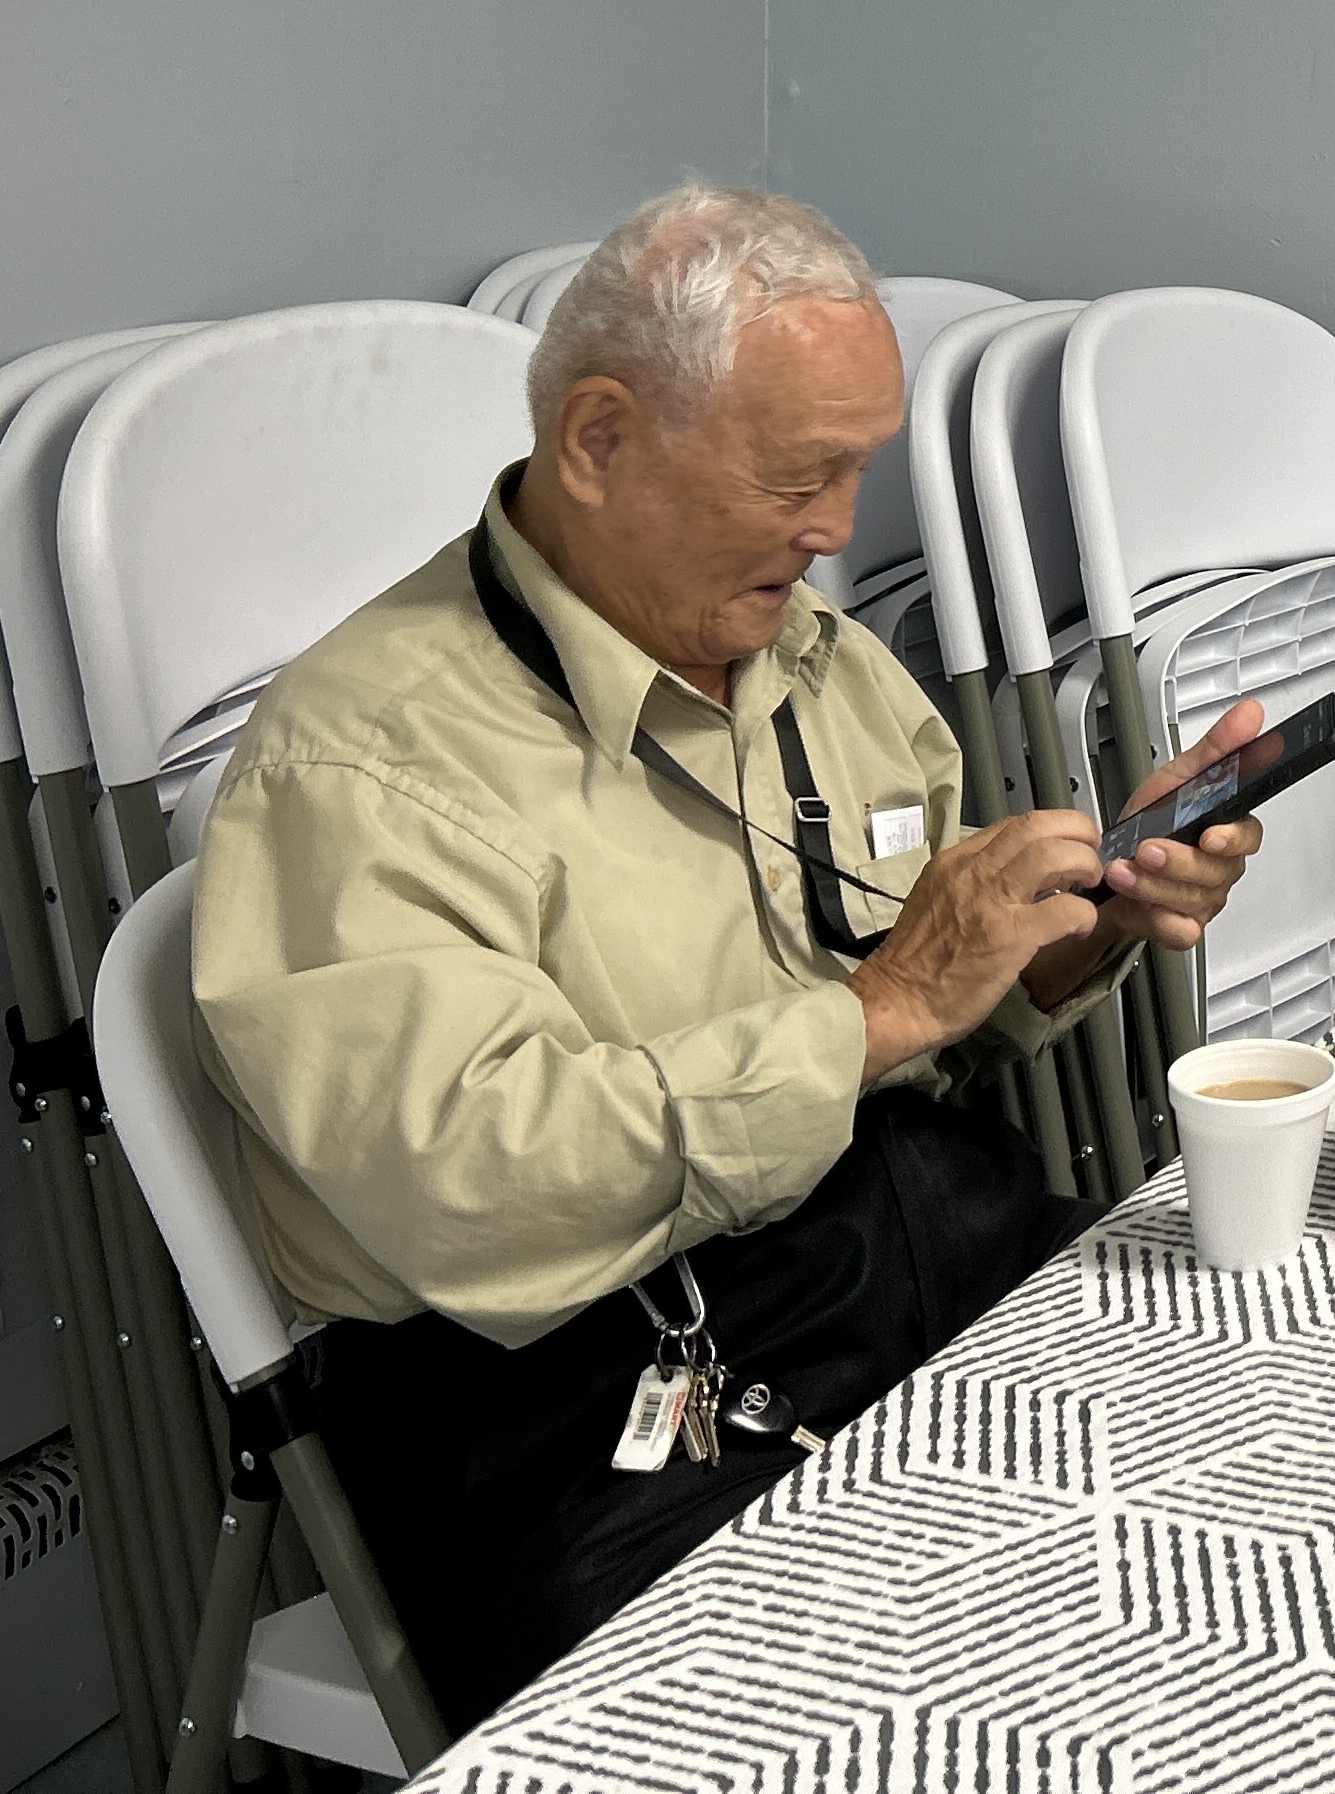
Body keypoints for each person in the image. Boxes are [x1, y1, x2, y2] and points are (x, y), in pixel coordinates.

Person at [193, 185, 1266, 1728]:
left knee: (1250, 1477)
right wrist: (882, 1008)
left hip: (907, 1246)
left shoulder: (815, 660)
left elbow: (919, 1019)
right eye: (797, 474)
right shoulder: (364, 766)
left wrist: (1063, 931)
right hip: (576, 1396)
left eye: (855, 469)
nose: (836, 529)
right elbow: (481, 1189)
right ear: (599, 440)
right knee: (970, 1704)